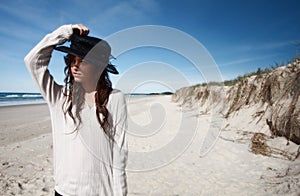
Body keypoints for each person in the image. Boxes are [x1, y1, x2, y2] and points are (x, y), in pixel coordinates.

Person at [24, 24, 128, 196]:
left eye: (83, 61)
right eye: (73, 60)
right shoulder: (60, 97)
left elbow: (119, 152)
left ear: (98, 66)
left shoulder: (115, 98)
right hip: (64, 191)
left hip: (102, 192)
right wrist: (65, 32)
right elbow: (32, 61)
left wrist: (120, 193)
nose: (75, 66)